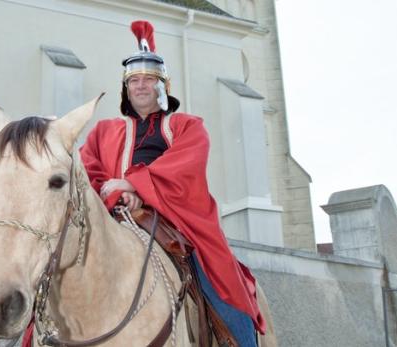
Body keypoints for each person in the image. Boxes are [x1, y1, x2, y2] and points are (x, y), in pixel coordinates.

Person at [80, 20, 265, 345]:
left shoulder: (186, 126)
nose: (140, 86)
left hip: (177, 220)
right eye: (134, 80)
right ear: (126, 88)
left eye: (149, 80)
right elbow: (88, 172)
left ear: (163, 86)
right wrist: (117, 196)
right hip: (113, 217)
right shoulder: (103, 132)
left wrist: (134, 184)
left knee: (220, 281)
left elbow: (186, 165)